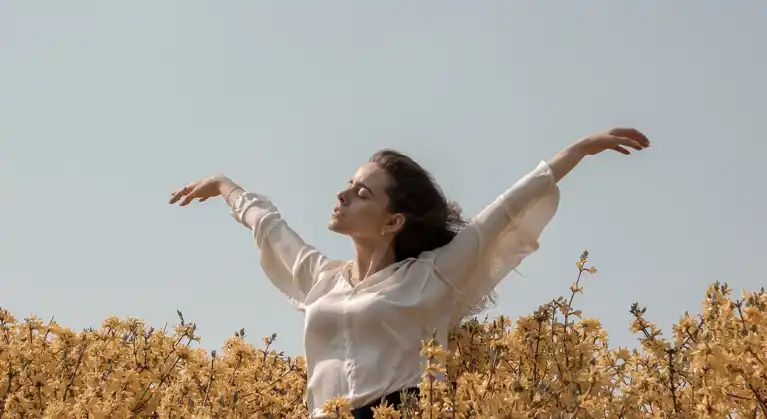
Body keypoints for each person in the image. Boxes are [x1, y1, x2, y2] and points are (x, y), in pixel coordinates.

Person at [169, 127, 650, 418]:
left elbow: (505, 211)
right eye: (348, 185)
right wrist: (224, 186)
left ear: (394, 220)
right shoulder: (323, 279)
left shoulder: (433, 275)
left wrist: (579, 150)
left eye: (362, 193)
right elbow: (271, 228)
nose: (342, 195)